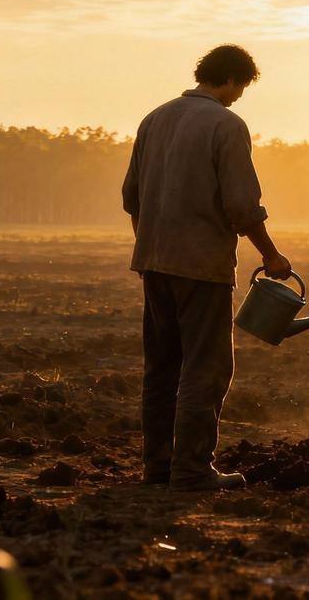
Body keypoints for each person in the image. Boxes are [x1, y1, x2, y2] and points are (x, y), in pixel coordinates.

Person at [121, 44, 292, 492]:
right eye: (241, 88)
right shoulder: (226, 124)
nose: (239, 97)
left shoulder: (154, 118)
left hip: (154, 264)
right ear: (233, 79)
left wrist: (151, 246)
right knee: (206, 366)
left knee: (162, 367)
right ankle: (193, 471)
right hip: (202, 268)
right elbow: (241, 206)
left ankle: (157, 468)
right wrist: (271, 255)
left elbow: (132, 199)